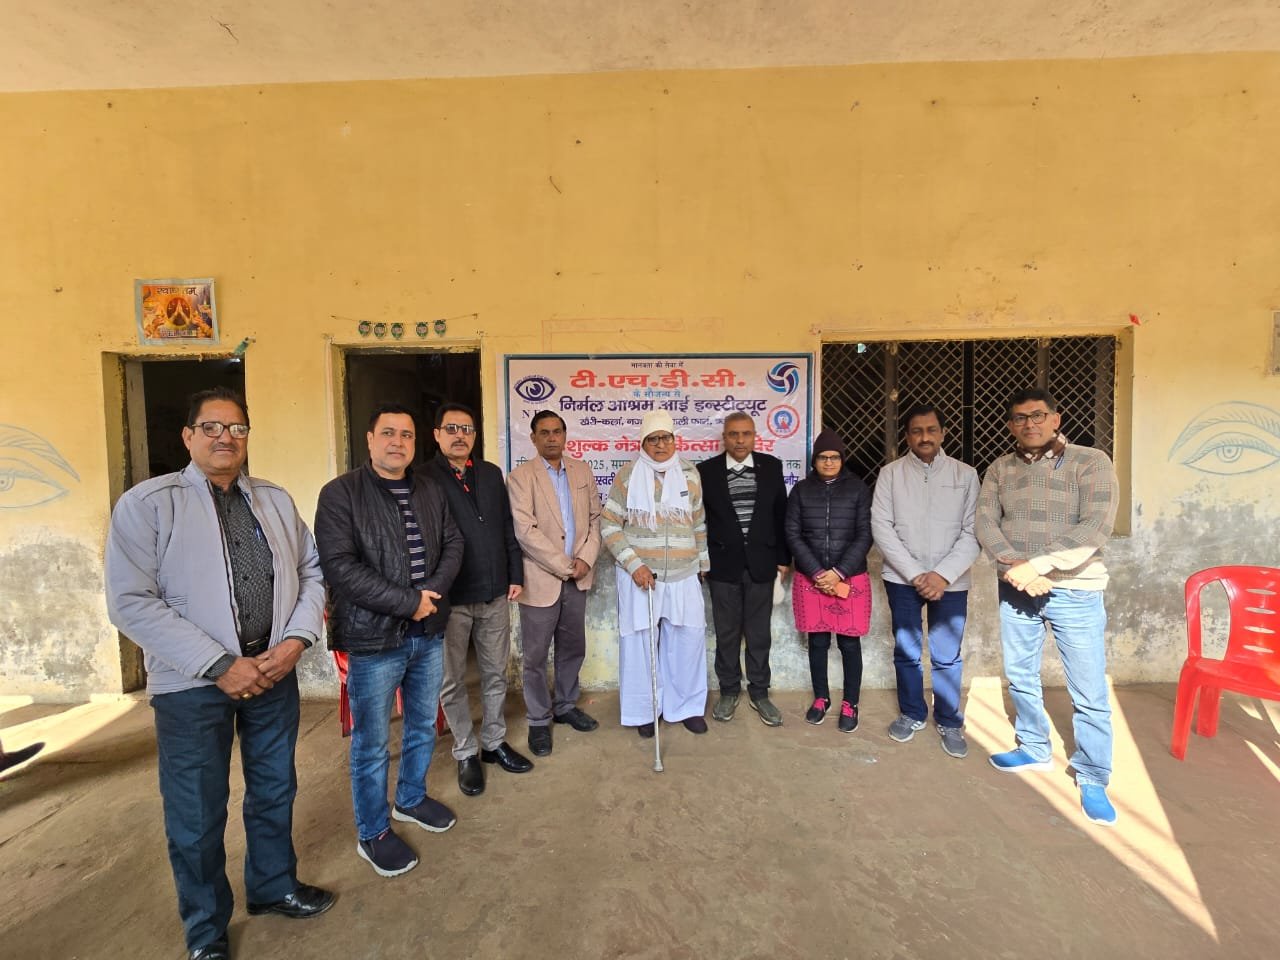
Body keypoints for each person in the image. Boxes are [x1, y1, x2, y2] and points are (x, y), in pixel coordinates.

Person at [105, 387, 334, 960]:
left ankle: (274, 886)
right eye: (211, 427)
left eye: (236, 428)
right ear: (188, 437)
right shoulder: (148, 504)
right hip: (193, 685)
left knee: (274, 789)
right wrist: (219, 664)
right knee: (197, 811)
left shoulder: (273, 500)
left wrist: (294, 643)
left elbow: (312, 572)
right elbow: (131, 602)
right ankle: (206, 929)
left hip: (273, 672)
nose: (225, 438)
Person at [314, 403, 464, 877]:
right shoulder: (341, 494)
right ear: (370, 439)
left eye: (406, 435)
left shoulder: (430, 489)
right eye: (388, 433)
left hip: (428, 631)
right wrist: (408, 602)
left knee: (422, 726)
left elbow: (453, 543)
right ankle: (373, 831)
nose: (397, 442)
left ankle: (411, 799)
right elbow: (340, 566)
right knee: (373, 742)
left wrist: (429, 596)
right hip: (373, 639)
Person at [976, 388, 1120, 826]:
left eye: (1038, 416)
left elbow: (1096, 525)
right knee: (1021, 674)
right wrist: (1015, 567)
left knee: (1088, 688)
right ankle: (1035, 747)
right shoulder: (1000, 469)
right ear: (1010, 425)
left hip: (1076, 590)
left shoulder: (1090, 461)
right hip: (1017, 586)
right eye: (1020, 418)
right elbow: (985, 521)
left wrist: (1037, 565)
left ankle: (1092, 774)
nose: (1030, 424)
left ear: (1056, 419)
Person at [427, 403, 532, 797]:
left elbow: (506, 526)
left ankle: (493, 742)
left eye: (467, 429)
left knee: (495, 673)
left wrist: (514, 574)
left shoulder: (489, 474)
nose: (460, 436)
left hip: (494, 593)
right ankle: (465, 751)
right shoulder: (423, 478)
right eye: (452, 428)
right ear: (436, 434)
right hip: (450, 598)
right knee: (451, 679)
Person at [871, 404, 980, 758]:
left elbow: (973, 531)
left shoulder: (965, 475)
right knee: (907, 651)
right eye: (917, 431)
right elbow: (881, 527)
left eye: (931, 430)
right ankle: (912, 713)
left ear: (943, 433)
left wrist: (942, 575)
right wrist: (916, 574)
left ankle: (948, 720)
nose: (925, 437)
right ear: (907, 436)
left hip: (951, 581)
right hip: (902, 579)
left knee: (947, 655)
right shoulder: (890, 474)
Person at [601, 410, 710, 736]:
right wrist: (634, 565)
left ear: (675, 440)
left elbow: (698, 522)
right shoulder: (627, 475)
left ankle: (685, 707)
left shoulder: (690, 473)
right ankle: (645, 712)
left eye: (666, 437)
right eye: (653, 439)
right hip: (641, 577)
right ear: (643, 443)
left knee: (688, 642)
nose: (661, 444)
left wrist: (702, 564)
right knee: (640, 646)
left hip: (684, 573)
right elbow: (609, 524)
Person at [507, 410, 603, 757]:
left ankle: (565, 706)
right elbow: (525, 531)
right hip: (541, 578)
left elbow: (595, 519)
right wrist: (565, 566)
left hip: (579, 576)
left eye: (557, 431)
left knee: (572, 647)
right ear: (533, 438)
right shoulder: (520, 477)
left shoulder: (582, 471)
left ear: (565, 435)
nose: (552, 438)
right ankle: (538, 719)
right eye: (544, 432)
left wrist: (585, 560)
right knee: (534, 656)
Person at [696, 412, 790, 726]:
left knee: (759, 633)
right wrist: (702, 560)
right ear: (724, 437)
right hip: (722, 567)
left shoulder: (771, 466)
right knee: (726, 633)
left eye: (746, 434)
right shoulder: (706, 472)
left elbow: (781, 515)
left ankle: (760, 692)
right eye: (733, 434)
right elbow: (699, 520)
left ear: (754, 436)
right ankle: (728, 690)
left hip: (762, 564)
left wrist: (783, 559)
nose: (740, 440)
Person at [785, 429, 873, 734]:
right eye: (823, 457)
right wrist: (816, 572)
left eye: (835, 457)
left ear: (842, 459)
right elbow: (792, 533)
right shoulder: (801, 491)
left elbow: (865, 534)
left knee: (849, 642)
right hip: (812, 578)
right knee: (818, 642)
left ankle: (851, 702)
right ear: (814, 460)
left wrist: (839, 572)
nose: (829, 462)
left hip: (849, 577)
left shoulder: (858, 489)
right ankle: (821, 697)